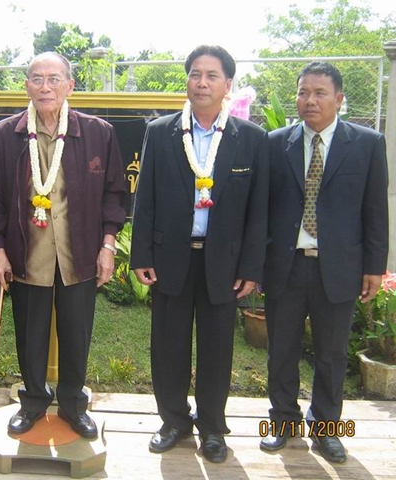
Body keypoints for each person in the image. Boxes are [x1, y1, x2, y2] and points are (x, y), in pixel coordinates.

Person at [0, 52, 126, 439]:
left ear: (70, 85)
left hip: (80, 254)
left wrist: (108, 246)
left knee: (77, 334)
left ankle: (73, 404)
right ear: (26, 85)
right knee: (30, 334)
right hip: (27, 255)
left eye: (54, 79)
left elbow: (114, 195)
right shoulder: (3, 135)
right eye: (37, 79)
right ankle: (33, 402)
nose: (46, 87)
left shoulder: (98, 133)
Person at [131, 45, 269, 463]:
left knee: (217, 349)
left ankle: (212, 427)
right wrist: (141, 255)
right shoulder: (161, 132)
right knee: (168, 345)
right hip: (171, 258)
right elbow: (146, 197)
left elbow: (258, 210)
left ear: (228, 84)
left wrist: (251, 266)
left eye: (212, 75)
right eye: (195, 74)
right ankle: (173, 421)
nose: (202, 82)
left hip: (223, 263)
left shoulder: (251, 139)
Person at [260, 62, 388, 463]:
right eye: (303, 92)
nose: (309, 100)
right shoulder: (274, 143)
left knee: (332, 354)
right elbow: (261, 209)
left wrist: (374, 267)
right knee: (281, 350)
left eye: (319, 93)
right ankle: (282, 421)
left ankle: (326, 428)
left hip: (339, 268)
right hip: (286, 265)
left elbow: (375, 210)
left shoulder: (367, 144)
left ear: (339, 99)